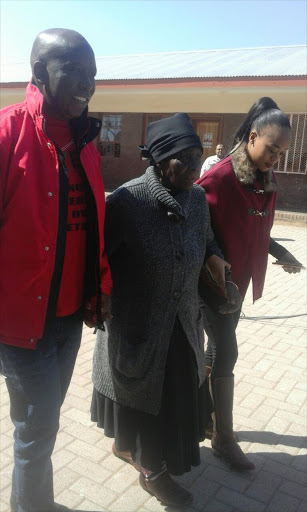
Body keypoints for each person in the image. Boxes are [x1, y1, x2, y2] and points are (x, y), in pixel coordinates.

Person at [91, 113, 230, 507]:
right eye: (182, 161)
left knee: (172, 399)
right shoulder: (127, 201)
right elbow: (98, 260)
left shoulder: (198, 199)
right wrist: (99, 301)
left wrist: (215, 258)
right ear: (157, 159)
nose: (191, 169)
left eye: (196, 159)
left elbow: (206, 241)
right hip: (138, 326)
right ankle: (153, 473)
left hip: (183, 323)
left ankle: (144, 456)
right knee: (144, 400)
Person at [0, 28, 112, 512]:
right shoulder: (8, 133)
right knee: (38, 429)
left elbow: (94, 228)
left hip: (69, 318)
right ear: (39, 73)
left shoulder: (86, 142)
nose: (87, 82)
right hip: (22, 324)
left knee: (39, 425)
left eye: (92, 74)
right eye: (75, 71)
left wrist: (101, 292)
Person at [197, 97, 303, 472]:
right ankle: (223, 438)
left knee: (216, 352)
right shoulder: (220, 177)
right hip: (213, 284)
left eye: (282, 152)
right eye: (271, 149)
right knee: (227, 352)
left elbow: (260, 227)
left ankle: (202, 417)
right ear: (253, 136)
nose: (275, 158)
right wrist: (215, 264)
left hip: (238, 284)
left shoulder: (264, 178)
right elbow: (197, 227)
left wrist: (281, 252)